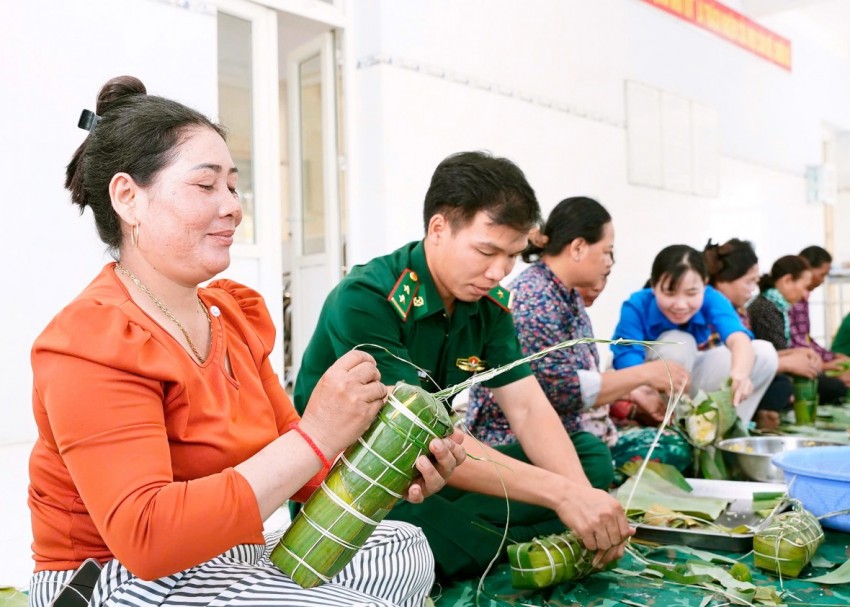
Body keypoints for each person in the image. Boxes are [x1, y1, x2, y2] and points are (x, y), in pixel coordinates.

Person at [28, 76, 464, 607]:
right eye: (206, 185)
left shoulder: (232, 314)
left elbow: (306, 479)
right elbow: (145, 538)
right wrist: (318, 435)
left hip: (222, 557)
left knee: (402, 545)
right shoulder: (89, 338)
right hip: (116, 580)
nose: (233, 205)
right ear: (128, 197)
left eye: (233, 186)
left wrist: (394, 464)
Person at [294, 155, 633, 580]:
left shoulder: (488, 308)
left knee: (591, 458)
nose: (499, 272)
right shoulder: (367, 297)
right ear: (439, 229)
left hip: (435, 473)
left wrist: (583, 498)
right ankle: (491, 543)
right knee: (437, 537)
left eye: (512, 255)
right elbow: (412, 440)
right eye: (487, 251)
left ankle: (478, 539)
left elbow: (527, 408)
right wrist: (561, 495)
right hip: (354, 488)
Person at [465, 197, 692, 481]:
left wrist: (632, 392)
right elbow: (563, 391)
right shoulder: (536, 299)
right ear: (578, 248)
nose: (609, 261)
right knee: (668, 449)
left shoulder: (565, 294)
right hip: (517, 442)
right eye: (607, 252)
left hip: (571, 430)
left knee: (672, 441)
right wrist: (644, 375)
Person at [611, 244, 777, 425]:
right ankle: (672, 426)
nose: (681, 305)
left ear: (704, 284)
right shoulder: (636, 305)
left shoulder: (712, 298)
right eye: (670, 293)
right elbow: (627, 361)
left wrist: (740, 375)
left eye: (691, 293)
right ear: (654, 286)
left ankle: (727, 428)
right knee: (679, 341)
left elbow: (738, 338)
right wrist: (641, 392)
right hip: (642, 381)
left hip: (687, 380)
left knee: (763, 353)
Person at [704, 239, 821, 429]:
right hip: (713, 383)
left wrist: (792, 355)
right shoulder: (714, 304)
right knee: (781, 383)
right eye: (749, 282)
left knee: (782, 380)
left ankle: (737, 427)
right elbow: (721, 359)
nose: (753, 289)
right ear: (723, 280)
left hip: (735, 374)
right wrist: (785, 362)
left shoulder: (739, 310)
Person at [748, 255, 847, 405]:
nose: (805, 294)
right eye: (805, 287)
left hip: (780, 370)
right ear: (787, 280)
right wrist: (821, 367)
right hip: (774, 375)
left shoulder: (777, 306)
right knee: (834, 387)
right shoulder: (766, 308)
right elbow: (775, 357)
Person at [790, 245, 850, 386]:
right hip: (794, 367)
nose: (823, 281)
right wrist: (825, 364)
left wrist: (830, 357)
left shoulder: (801, 298)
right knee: (837, 386)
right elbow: (794, 345)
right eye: (822, 274)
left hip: (808, 361)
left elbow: (804, 339)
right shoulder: (787, 300)